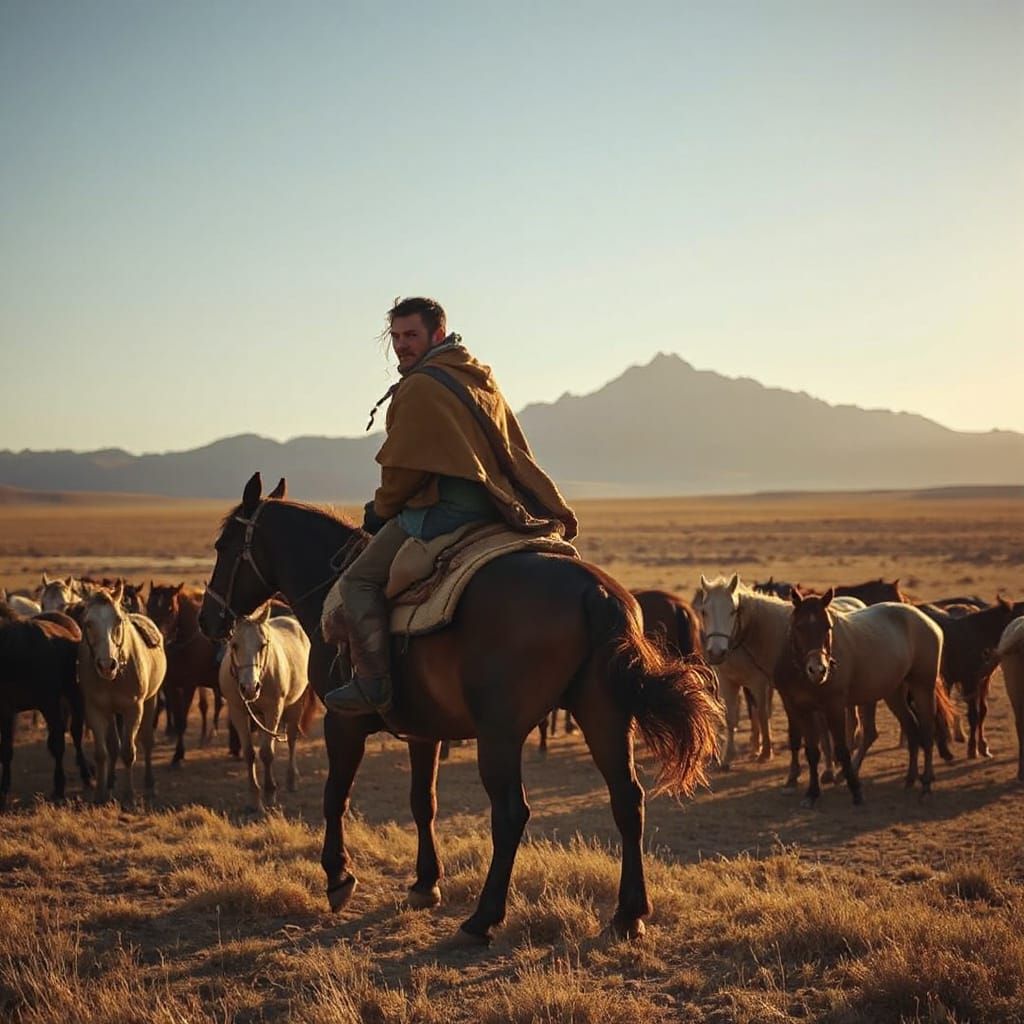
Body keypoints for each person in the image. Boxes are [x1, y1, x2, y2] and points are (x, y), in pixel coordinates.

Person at [323, 296, 577, 716]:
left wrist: (381, 510)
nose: (402, 346)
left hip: (443, 511)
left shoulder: (420, 386)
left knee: (357, 582)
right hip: (496, 505)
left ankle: (372, 683)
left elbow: (403, 470)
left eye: (411, 336)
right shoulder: (475, 373)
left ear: (436, 334)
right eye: (397, 337)